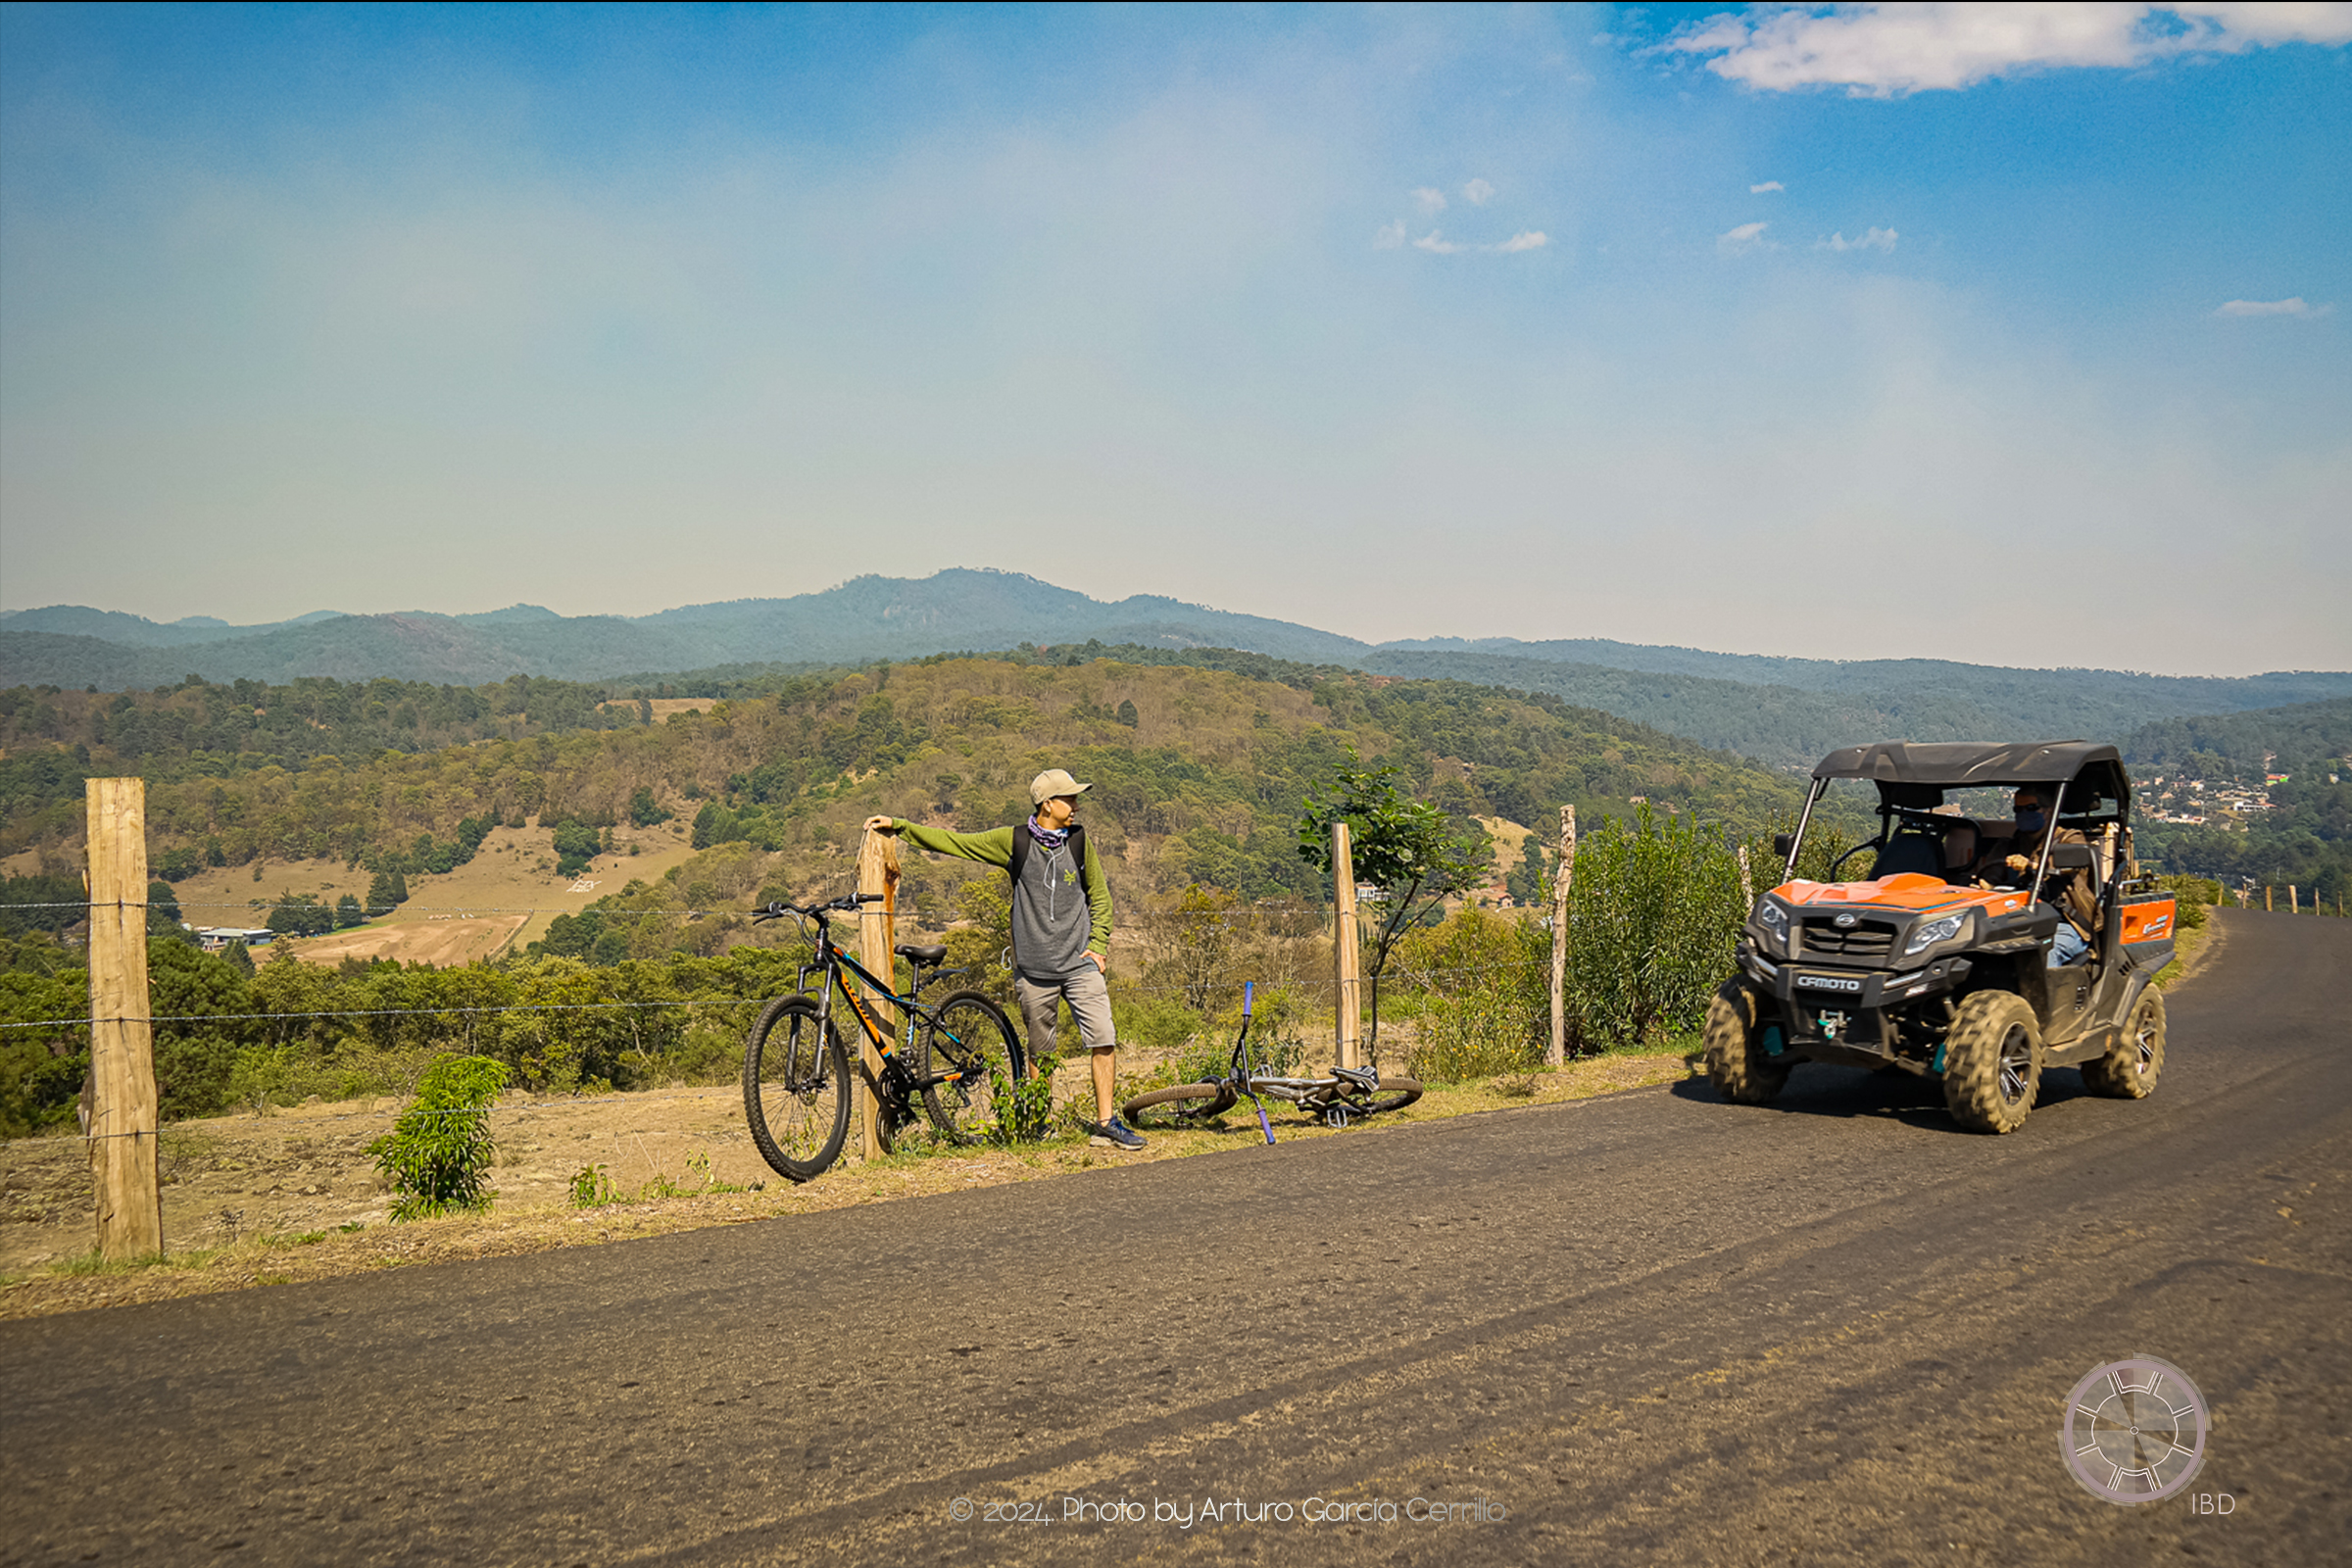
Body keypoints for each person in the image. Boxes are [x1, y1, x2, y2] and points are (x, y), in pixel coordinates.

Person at [863, 768, 1145, 1151]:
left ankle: (1107, 1122)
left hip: (1080, 965)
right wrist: (900, 826)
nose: (1077, 805)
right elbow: (954, 842)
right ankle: (1040, 1124)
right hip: (1035, 972)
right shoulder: (1014, 842)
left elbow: (1101, 896)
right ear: (1048, 804)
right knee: (1040, 1053)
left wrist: (1098, 947)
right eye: (1070, 799)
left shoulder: (1079, 842)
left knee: (1103, 1040)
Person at [1975, 786, 2096, 966]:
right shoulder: (2010, 845)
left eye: (2031, 808)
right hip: (2014, 920)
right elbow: (1991, 874)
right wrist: (1985, 887)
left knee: (2045, 954)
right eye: (2018, 809)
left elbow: (2066, 867)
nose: (2023, 814)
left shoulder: (2070, 839)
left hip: (2064, 923)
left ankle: (2045, 994)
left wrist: (2031, 866)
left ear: (2049, 811)